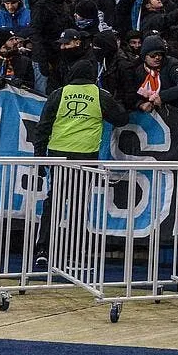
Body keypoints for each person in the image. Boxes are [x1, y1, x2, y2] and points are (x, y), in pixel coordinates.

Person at [33, 59, 131, 266]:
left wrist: (39, 159)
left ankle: (43, 249)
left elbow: (42, 128)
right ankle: (74, 253)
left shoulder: (58, 94)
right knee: (78, 204)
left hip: (58, 155)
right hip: (85, 156)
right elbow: (121, 119)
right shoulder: (100, 95)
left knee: (54, 202)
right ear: (93, 76)